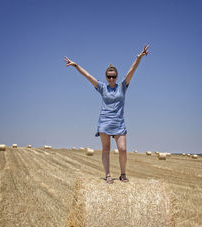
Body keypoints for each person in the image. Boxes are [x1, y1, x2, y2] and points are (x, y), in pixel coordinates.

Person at [64, 44, 149, 184]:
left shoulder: (123, 86)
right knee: (106, 149)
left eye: (113, 76)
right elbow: (88, 76)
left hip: (119, 122)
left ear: (117, 76)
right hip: (105, 122)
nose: (111, 79)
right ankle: (108, 175)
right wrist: (76, 66)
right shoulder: (102, 87)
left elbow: (132, 69)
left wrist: (139, 57)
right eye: (109, 77)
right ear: (106, 77)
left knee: (122, 149)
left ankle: (123, 174)